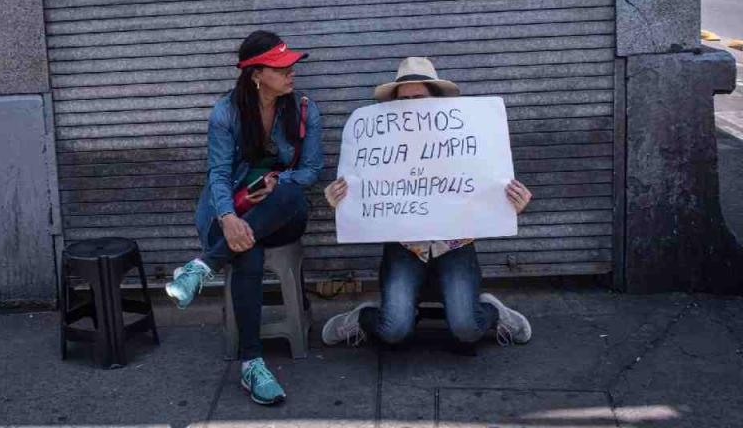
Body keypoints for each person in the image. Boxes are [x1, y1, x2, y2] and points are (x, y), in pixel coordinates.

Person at [320, 57, 533, 350]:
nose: (412, 106)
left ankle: (493, 312)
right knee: (393, 331)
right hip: (406, 246)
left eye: (419, 98)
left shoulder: (466, 137)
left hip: (454, 244)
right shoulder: (379, 145)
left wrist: (511, 204)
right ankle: (362, 318)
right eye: (404, 100)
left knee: (467, 329)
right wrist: (342, 202)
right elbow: (363, 191)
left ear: (436, 101)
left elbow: (488, 185)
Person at [164, 30, 324, 406]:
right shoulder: (226, 113)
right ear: (256, 74)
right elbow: (218, 175)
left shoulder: (303, 109)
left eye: (291, 65)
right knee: (247, 254)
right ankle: (253, 364)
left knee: (288, 194)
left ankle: (202, 266)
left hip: (283, 212)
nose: (291, 72)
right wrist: (227, 217)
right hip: (232, 209)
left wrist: (276, 181)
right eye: (281, 67)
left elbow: (313, 170)